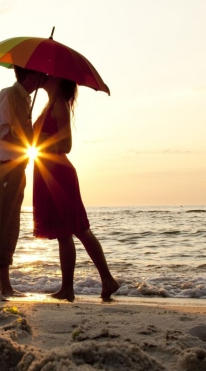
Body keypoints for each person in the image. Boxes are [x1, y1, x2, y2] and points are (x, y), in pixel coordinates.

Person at [33, 75, 120, 302]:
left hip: (59, 173)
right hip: (48, 172)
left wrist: (42, 139)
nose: (42, 77)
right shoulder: (49, 105)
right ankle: (67, 288)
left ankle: (107, 279)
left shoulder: (59, 104)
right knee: (63, 233)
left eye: (47, 75)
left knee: (79, 228)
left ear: (56, 80)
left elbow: (66, 145)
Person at [0, 65, 43, 298]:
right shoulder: (8, 94)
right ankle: (4, 287)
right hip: (3, 168)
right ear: (30, 74)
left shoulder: (25, 100)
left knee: (11, 226)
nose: (44, 77)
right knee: (4, 225)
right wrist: (24, 141)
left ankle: (1, 287)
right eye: (40, 73)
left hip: (16, 168)